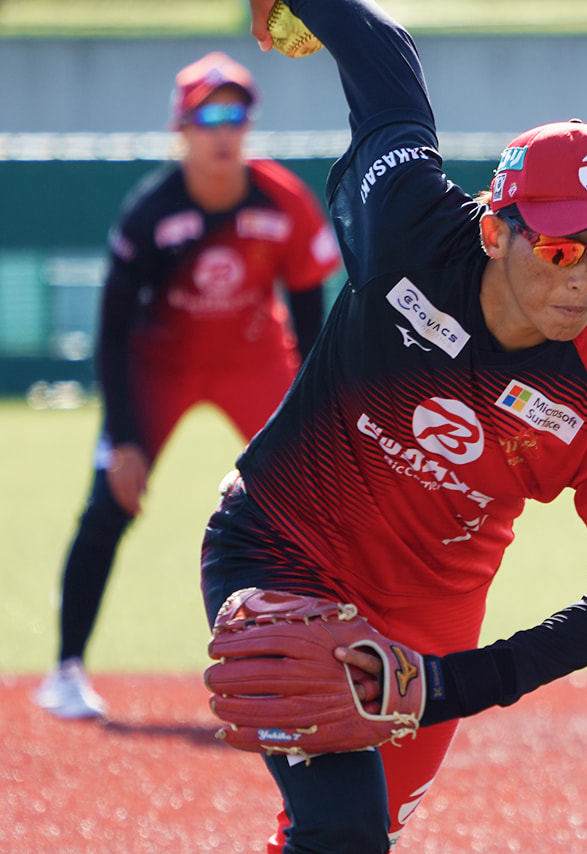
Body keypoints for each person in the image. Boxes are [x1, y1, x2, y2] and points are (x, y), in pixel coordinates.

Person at [199, 0, 587, 849]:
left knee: (365, 833)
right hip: (283, 545)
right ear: (497, 229)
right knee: (343, 831)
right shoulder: (410, 224)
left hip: (432, 622)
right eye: (559, 250)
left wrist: (442, 684)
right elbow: (383, 57)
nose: (581, 281)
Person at [33, 51, 341, 720]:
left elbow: (313, 326)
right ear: (181, 127)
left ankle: (334, 663)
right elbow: (112, 333)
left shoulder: (283, 200)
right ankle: (65, 672)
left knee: (320, 501)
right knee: (111, 502)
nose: (223, 131)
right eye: (208, 116)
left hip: (256, 358)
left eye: (236, 115)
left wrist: (314, 424)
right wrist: (122, 439)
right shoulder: (151, 212)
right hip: (160, 366)